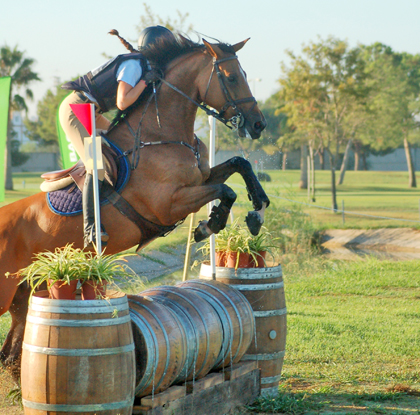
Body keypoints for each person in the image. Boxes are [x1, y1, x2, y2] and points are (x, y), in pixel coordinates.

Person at [59, 26, 176, 249]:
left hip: (92, 111)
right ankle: (90, 229)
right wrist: (144, 82)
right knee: (97, 163)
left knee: (124, 145)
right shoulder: (134, 65)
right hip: (77, 110)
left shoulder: (145, 65)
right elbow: (122, 102)